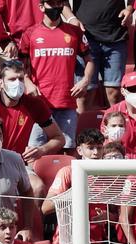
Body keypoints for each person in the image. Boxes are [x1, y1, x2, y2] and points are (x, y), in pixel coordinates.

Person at [18, 0, 92, 151]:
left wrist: (85, 80)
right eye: (51, 4)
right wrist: (27, 82)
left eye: (59, 3)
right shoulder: (30, 33)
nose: (56, 8)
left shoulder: (74, 32)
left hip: (66, 101)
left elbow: (89, 60)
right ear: (41, 7)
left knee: (68, 149)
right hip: (39, 102)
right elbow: (20, 65)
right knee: (34, 150)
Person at [0, 61, 65, 159]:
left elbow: (59, 138)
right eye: (12, 79)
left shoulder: (34, 104)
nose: (17, 83)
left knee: (34, 175)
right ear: (1, 82)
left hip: (16, 163)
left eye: (21, 79)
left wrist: (41, 150)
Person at [74, 0, 131, 107]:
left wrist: (129, 9)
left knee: (114, 93)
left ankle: (114, 123)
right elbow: (62, 3)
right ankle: (84, 123)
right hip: (85, 38)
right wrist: (71, 18)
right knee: (84, 93)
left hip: (115, 37)